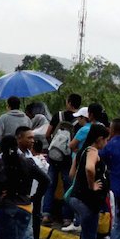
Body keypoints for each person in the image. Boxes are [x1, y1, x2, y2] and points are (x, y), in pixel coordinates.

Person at [57, 123, 110, 239]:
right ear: (100, 139)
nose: (106, 143)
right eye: (106, 140)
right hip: (88, 202)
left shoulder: (81, 151)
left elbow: (72, 174)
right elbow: (89, 169)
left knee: (87, 237)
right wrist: (92, 185)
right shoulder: (93, 151)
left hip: (76, 198)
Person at [43, 94, 83, 225]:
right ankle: (67, 218)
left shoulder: (58, 116)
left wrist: (52, 147)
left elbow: (47, 134)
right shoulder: (80, 121)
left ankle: (46, 215)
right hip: (68, 159)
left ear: (69, 102)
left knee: (50, 185)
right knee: (68, 187)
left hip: (53, 156)